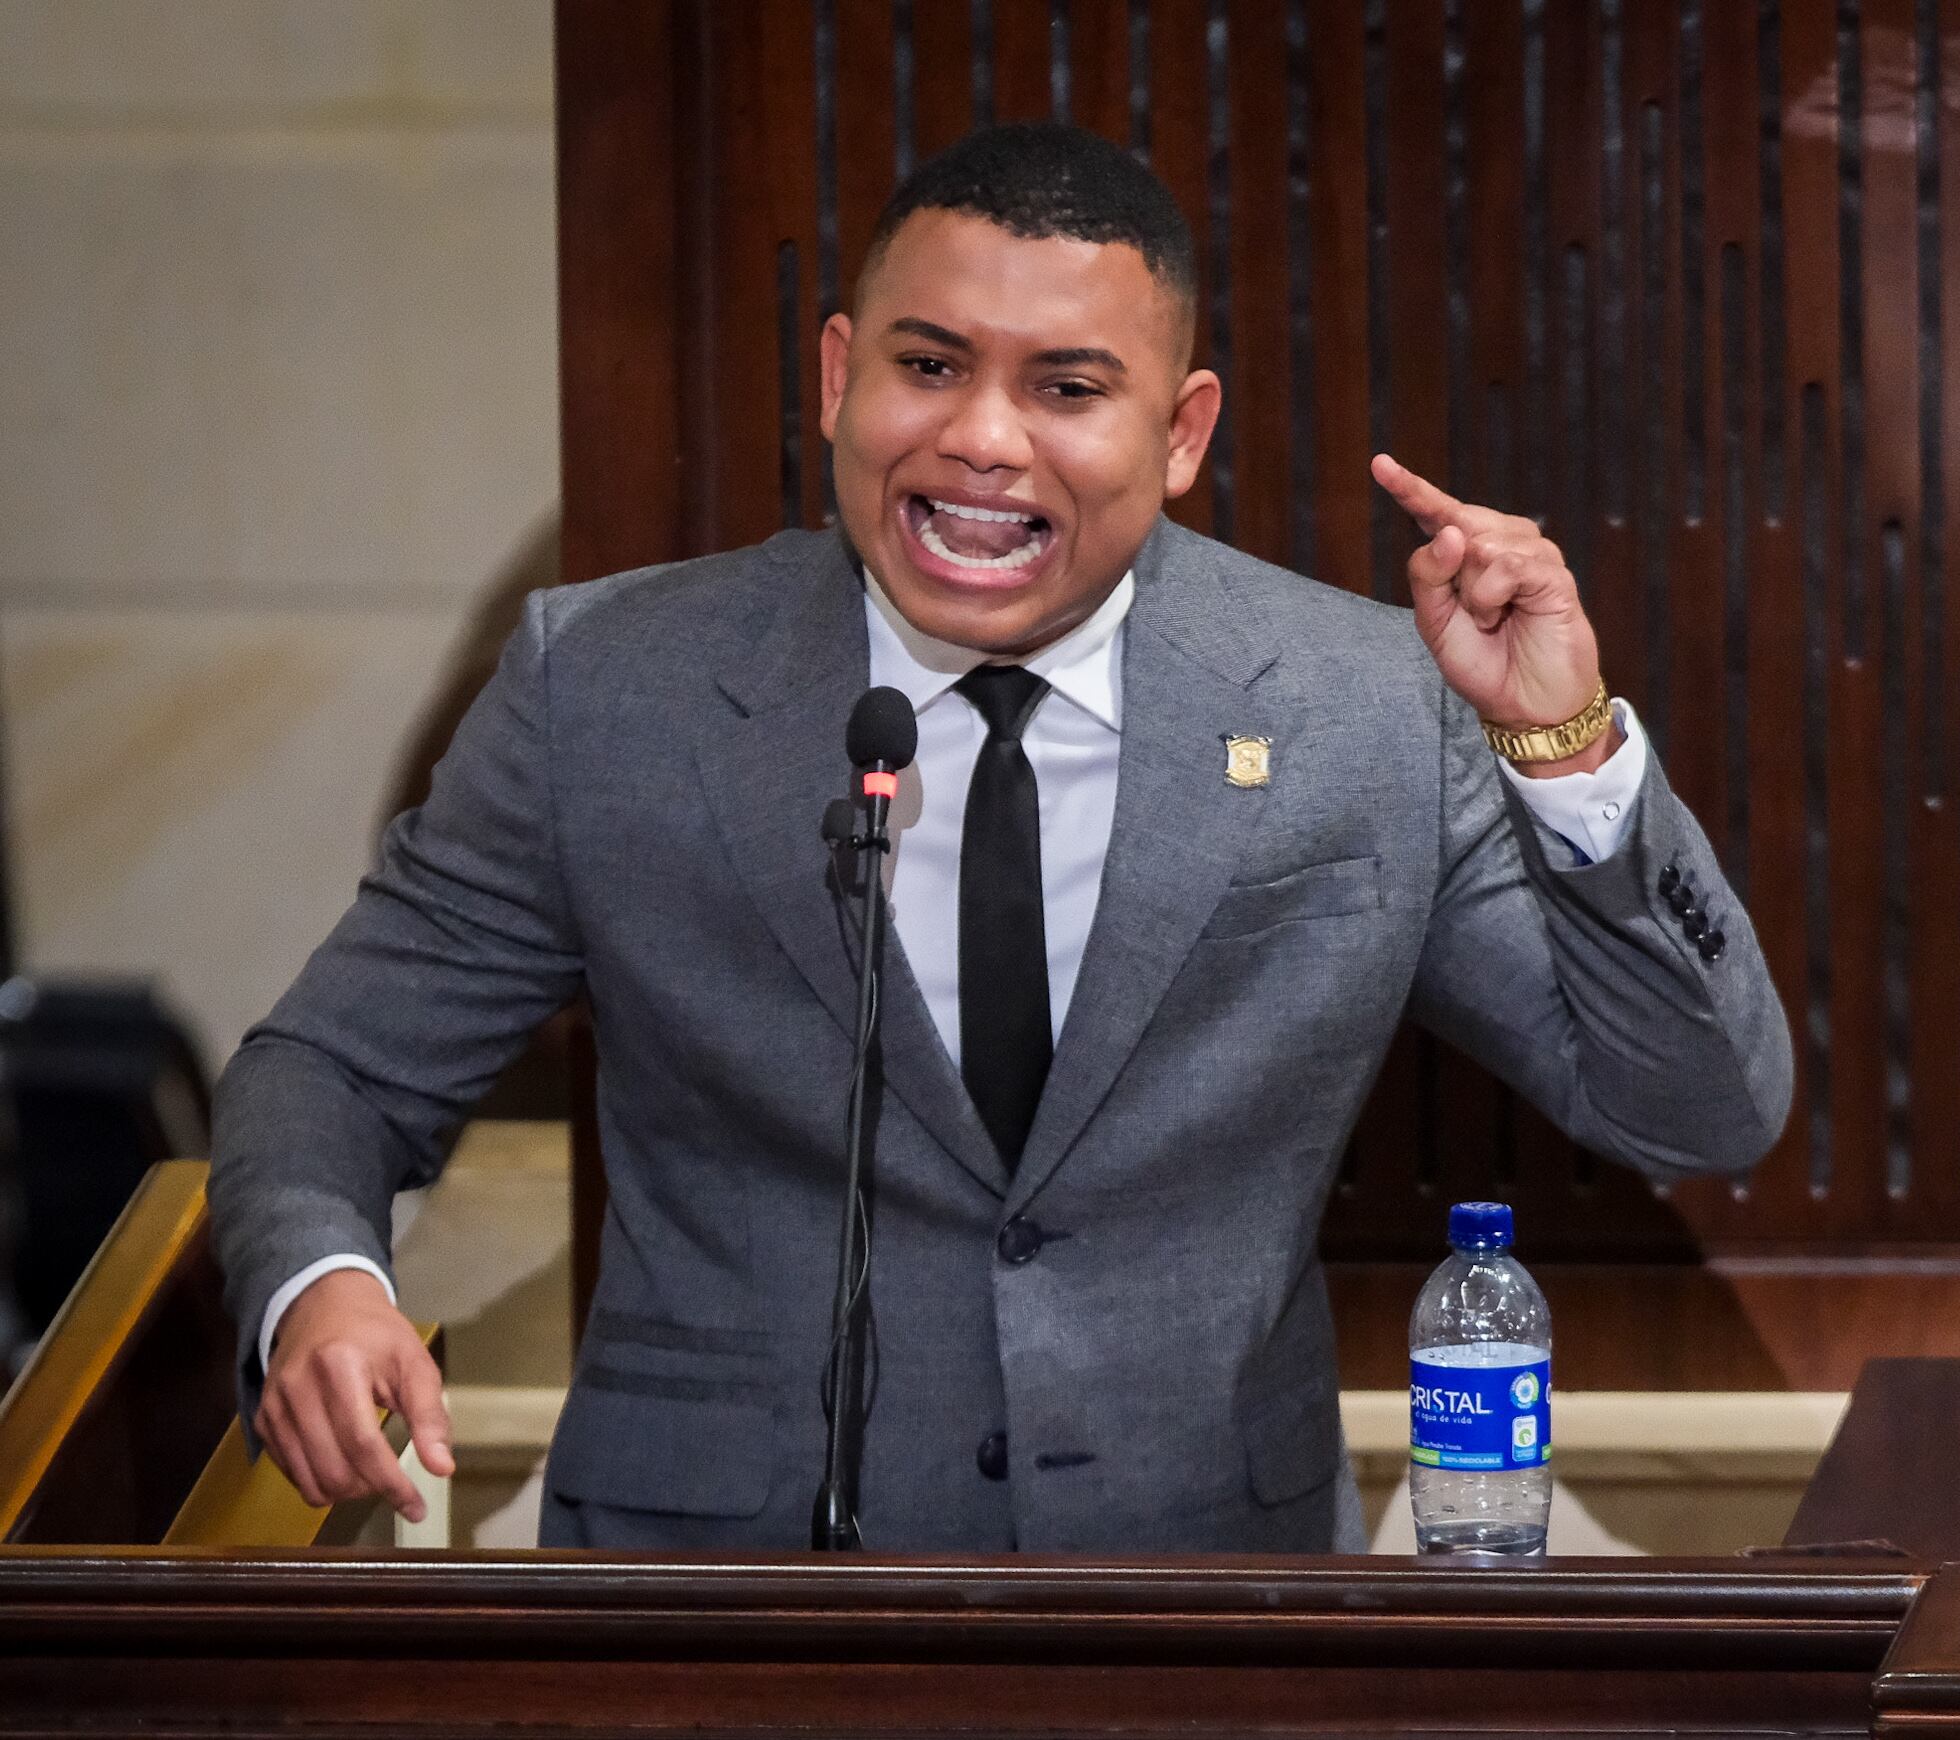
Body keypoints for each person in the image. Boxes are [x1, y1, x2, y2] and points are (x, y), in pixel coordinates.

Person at [210, 122, 1791, 1552]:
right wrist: (321, 1289)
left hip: (1201, 1606)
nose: (981, 438)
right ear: (837, 375)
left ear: (1180, 433)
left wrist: (1564, 748)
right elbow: (333, 1066)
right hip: (718, 1608)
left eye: (1067, 389)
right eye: (929, 364)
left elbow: (1698, 1108)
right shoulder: (609, 689)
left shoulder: (1363, 705)